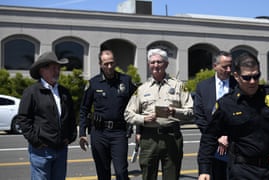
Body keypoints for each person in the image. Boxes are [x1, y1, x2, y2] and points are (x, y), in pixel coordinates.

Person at [198, 52, 269, 180]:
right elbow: (209, 137)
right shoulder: (227, 104)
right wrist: (204, 170)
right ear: (236, 76)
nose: (252, 81)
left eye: (256, 76)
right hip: (242, 170)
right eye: (247, 77)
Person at [124, 48, 194, 180]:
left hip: (172, 136)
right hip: (149, 138)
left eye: (159, 62)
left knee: (172, 176)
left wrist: (174, 111)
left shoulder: (178, 86)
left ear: (166, 64)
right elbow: (128, 114)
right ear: (149, 65)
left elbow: (191, 111)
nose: (156, 65)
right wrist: (144, 119)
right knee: (148, 175)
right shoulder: (142, 88)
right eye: (152, 62)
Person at [17, 51, 77, 180]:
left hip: (61, 150)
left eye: (58, 68)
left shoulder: (64, 92)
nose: (57, 71)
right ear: (42, 70)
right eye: (53, 68)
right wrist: (36, 141)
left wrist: (71, 136)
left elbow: (71, 116)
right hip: (41, 151)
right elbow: (23, 119)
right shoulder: (32, 92)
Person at [79, 48, 136, 180]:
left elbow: (138, 103)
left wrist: (138, 128)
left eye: (112, 63)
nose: (109, 66)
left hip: (119, 133)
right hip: (99, 133)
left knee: (121, 172)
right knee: (103, 173)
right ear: (100, 65)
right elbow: (84, 109)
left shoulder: (126, 81)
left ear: (115, 63)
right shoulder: (93, 83)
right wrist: (82, 133)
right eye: (106, 64)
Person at [193, 51, 236, 179]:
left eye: (230, 66)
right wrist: (216, 137)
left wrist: (227, 136)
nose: (229, 70)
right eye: (224, 67)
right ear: (215, 66)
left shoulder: (238, 85)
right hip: (210, 145)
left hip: (234, 145)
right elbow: (199, 116)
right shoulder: (203, 87)